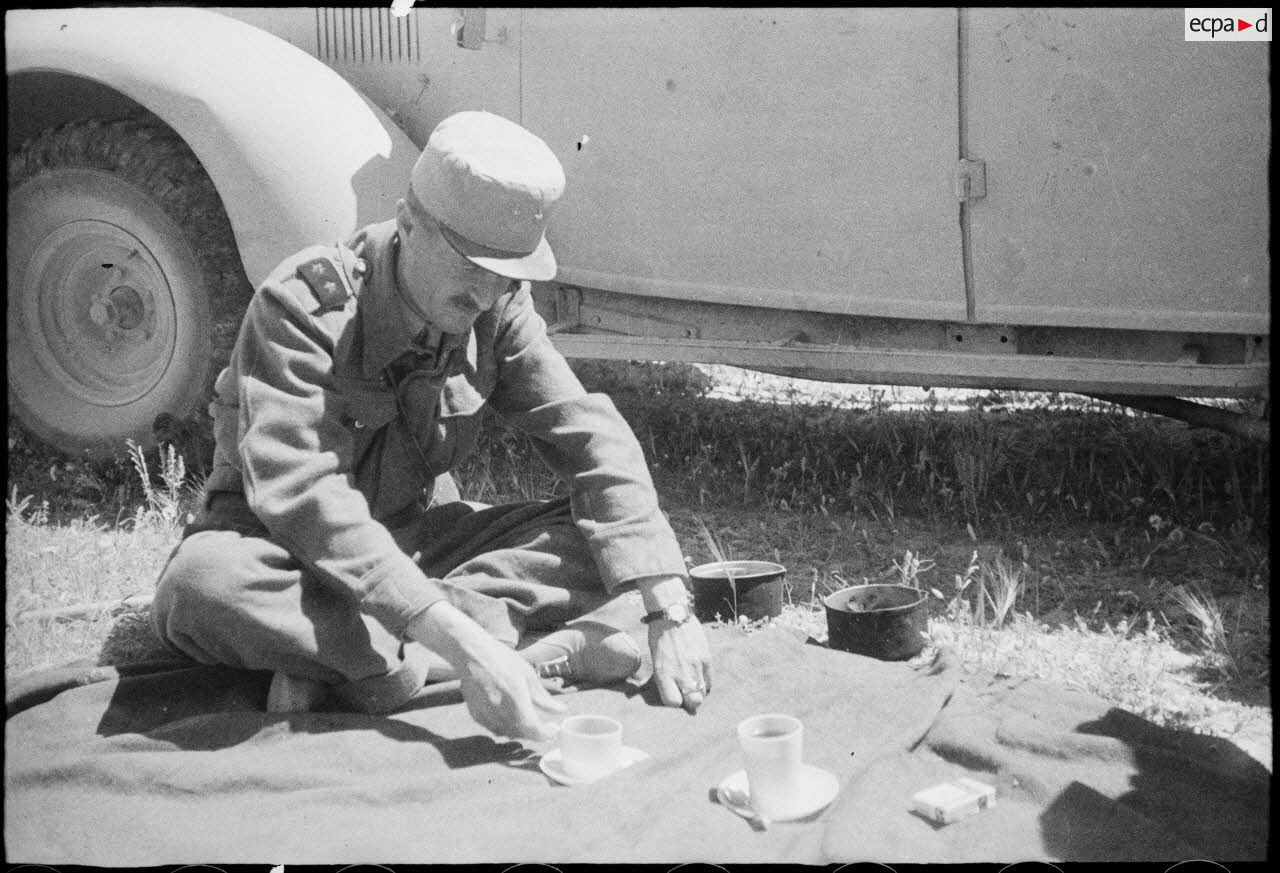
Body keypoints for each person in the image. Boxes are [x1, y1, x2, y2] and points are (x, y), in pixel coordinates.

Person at [151, 110, 712, 742]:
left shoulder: (497, 306)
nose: (488, 290)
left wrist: (668, 608)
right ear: (408, 223)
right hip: (283, 549)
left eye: (507, 271)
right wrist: (462, 639)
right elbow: (304, 496)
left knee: (596, 536)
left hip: (412, 545)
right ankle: (498, 660)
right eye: (472, 264)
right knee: (200, 589)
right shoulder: (303, 307)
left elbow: (586, 434)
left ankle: (358, 665)